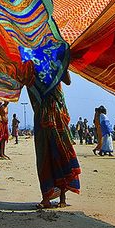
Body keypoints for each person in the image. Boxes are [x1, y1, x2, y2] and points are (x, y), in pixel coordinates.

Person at [26, 66, 81, 209]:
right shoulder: (31, 63)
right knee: (44, 155)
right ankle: (46, 197)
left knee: (61, 153)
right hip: (42, 115)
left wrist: (63, 63)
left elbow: (68, 80)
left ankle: (62, 197)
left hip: (57, 114)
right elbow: (25, 80)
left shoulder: (56, 61)